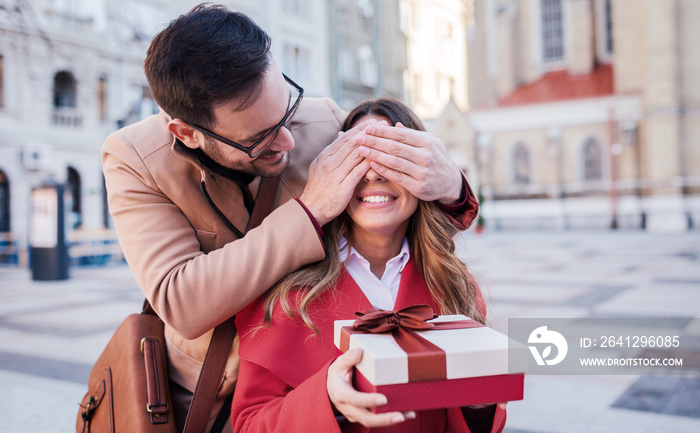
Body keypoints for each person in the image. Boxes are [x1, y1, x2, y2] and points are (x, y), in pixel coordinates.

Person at [102, 4, 478, 432]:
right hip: (206, 395)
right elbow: (181, 303)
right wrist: (311, 210)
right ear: (187, 133)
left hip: (309, 375)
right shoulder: (133, 158)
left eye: (286, 111)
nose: (288, 138)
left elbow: (407, 207)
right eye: (259, 138)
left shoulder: (324, 121)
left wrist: (452, 185)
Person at [230, 98, 506, 433]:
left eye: (394, 157)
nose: (374, 173)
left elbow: (475, 420)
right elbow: (250, 424)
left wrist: (481, 402)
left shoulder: (455, 285)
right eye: (358, 157)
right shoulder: (286, 293)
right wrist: (326, 399)